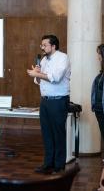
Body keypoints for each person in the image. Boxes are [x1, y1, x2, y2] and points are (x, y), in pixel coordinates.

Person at [27, 34, 71, 174]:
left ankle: (59, 166)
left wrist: (37, 75)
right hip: (45, 101)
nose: (42, 47)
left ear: (53, 46)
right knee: (47, 134)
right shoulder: (44, 59)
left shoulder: (63, 58)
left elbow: (56, 78)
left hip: (58, 101)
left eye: (45, 45)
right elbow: (39, 81)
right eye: (42, 45)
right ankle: (48, 164)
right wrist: (37, 74)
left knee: (58, 134)